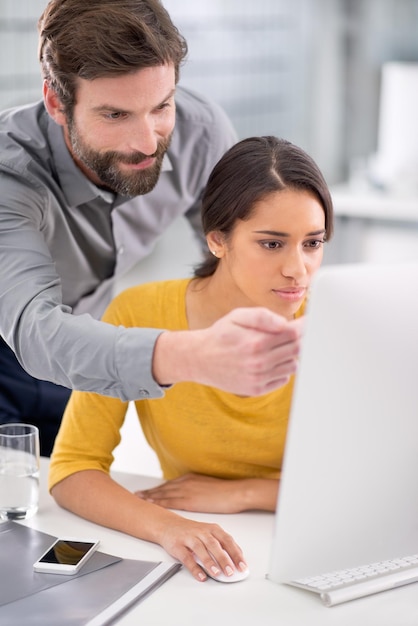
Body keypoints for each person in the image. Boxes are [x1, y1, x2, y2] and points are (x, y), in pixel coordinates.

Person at [0, 0, 301, 456]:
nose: (147, 143)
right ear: (56, 102)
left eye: (161, 106)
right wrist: (195, 356)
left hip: (88, 347)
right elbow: (36, 331)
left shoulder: (200, 131)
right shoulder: (10, 177)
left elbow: (238, 252)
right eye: (115, 115)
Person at [49, 135, 334, 582]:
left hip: (319, 547)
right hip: (212, 556)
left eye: (312, 243)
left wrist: (243, 494)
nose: (298, 270)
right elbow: (71, 470)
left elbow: (385, 484)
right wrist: (169, 528)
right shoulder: (139, 313)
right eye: (272, 244)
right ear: (218, 240)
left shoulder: (339, 321)